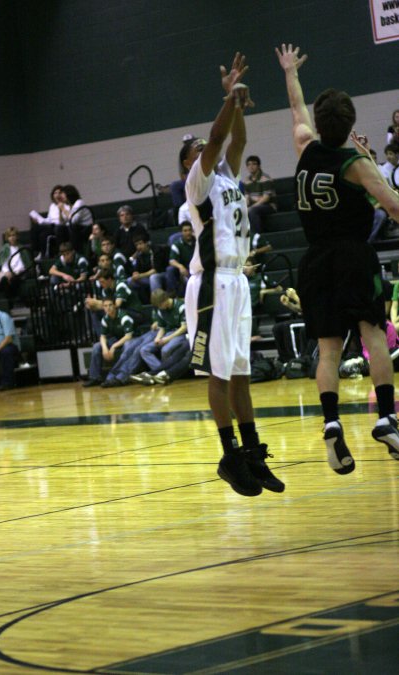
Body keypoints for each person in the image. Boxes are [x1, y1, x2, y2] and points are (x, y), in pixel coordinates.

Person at [276, 42, 399, 472]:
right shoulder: (356, 163)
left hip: (315, 262)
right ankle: (386, 417)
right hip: (351, 257)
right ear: (350, 126)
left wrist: (290, 71)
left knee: (327, 352)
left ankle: (331, 424)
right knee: (375, 335)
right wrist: (367, 159)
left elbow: (296, 111)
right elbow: (394, 207)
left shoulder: (305, 147)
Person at [182, 52, 284, 498]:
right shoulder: (197, 184)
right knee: (219, 375)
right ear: (191, 162)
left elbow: (235, 142)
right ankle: (229, 456)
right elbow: (219, 136)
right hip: (211, 285)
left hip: (236, 282)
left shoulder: (229, 180)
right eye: (200, 152)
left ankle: (251, 451)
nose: (210, 153)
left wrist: (240, 104)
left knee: (240, 371)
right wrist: (227, 100)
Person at [82, 298, 135, 387]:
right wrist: (105, 348)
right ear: (103, 308)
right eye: (105, 306)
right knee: (97, 346)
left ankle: (119, 377)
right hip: (116, 340)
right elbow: (102, 336)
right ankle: (94, 377)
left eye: (110, 305)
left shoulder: (123, 316)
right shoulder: (105, 319)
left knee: (127, 345)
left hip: (130, 340)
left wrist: (113, 346)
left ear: (114, 306)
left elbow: (128, 336)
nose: (108, 308)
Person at [30, 184, 71, 258]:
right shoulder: (52, 206)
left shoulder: (66, 205)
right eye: (55, 193)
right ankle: (37, 252)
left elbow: (63, 221)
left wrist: (60, 210)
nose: (57, 195)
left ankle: (56, 253)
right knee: (36, 228)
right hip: (50, 225)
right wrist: (39, 220)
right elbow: (49, 219)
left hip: (60, 226)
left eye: (59, 193)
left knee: (53, 229)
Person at [240, 155, 277, 233]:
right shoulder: (247, 180)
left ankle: (257, 236)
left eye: (254, 164)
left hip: (269, 206)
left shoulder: (265, 178)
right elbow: (247, 198)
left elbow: (266, 198)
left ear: (259, 166)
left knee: (252, 211)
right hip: (255, 206)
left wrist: (251, 206)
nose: (251, 166)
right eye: (249, 164)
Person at [0, 227, 33, 302]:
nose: (12, 238)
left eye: (13, 235)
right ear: (7, 238)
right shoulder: (4, 248)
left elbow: (23, 263)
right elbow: (3, 263)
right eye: (9, 236)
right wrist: (7, 272)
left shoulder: (22, 248)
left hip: (19, 271)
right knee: (4, 281)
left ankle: (13, 301)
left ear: (17, 236)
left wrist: (14, 272)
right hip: (7, 272)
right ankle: (10, 302)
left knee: (14, 279)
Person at [166, 221, 195, 297]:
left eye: (189, 230)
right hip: (184, 269)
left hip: (197, 268)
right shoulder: (177, 244)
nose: (188, 233)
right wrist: (180, 266)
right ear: (181, 232)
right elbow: (171, 261)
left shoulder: (198, 241)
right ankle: (174, 296)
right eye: (185, 231)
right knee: (170, 270)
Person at [62, 184, 93, 253]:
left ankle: (76, 251)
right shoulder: (69, 205)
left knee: (71, 228)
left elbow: (73, 220)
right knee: (60, 229)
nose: (62, 197)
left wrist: (63, 210)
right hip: (78, 227)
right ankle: (63, 251)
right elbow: (65, 220)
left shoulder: (79, 203)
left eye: (63, 194)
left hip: (86, 227)